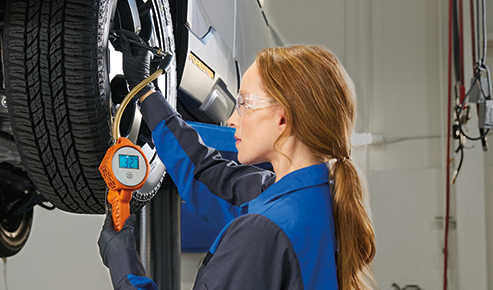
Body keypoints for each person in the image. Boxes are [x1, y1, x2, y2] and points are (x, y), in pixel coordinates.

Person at [98, 31, 376, 290]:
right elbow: (209, 175)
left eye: (244, 104)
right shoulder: (311, 197)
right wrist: (146, 92)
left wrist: (124, 266)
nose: (232, 120)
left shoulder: (261, 234)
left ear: (283, 117)